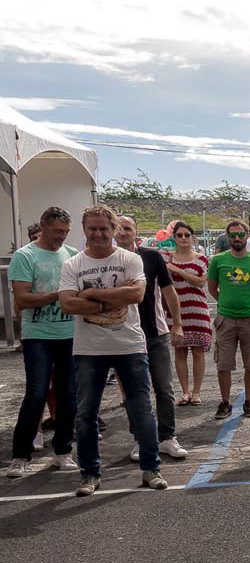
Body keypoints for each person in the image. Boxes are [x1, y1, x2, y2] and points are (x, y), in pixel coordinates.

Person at [58, 204, 167, 496]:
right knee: (86, 414)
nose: (98, 233)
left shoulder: (130, 259)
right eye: (92, 228)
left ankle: (150, 468)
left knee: (141, 408)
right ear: (85, 230)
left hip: (129, 344)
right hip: (88, 348)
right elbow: (68, 303)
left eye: (104, 228)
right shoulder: (73, 265)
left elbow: (137, 294)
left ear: (114, 230)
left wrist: (91, 294)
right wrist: (112, 300)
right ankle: (90, 473)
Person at [6, 207, 79, 478]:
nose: (61, 237)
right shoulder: (25, 256)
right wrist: (58, 296)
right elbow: (23, 299)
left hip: (69, 335)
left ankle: (63, 451)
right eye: (57, 231)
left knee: (68, 394)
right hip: (38, 335)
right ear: (44, 227)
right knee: (36, 394)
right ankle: (20, 455)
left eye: (66, 232)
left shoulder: (71, 254)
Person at [115, 215, 188, 461]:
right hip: (125, 336)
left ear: (136, 232)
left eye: (128, 228)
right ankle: (141, 439)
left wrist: (177, 324)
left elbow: (169, 291)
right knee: (136, 393)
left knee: (164, 389)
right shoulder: (109, 260)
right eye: (119, 228)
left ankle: (167, 437)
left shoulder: (152, 257)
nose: (123, 232)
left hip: (156, 334)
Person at [208, 219, 250, 421]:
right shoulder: (218, 261)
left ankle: (249, 401)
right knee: (223, 364)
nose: (237, 238)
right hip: (226, 320)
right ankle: (225, 402)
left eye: (240, 234)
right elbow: (212, 288)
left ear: (246, 235)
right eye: (232, 235)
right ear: (227, 237)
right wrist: (226, 303)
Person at [165, 221, 213, 405]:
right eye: (180, 235)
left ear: (193, 238)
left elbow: (201, 282)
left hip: (197, 309)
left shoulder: (201, 259)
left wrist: (178, 270)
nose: (184, 238)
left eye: (187, 235)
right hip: (176, 311)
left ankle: (197, 391)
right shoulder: (168, 259)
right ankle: (185, 391)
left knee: (198, 351)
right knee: (180, 351)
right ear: (174, 238)